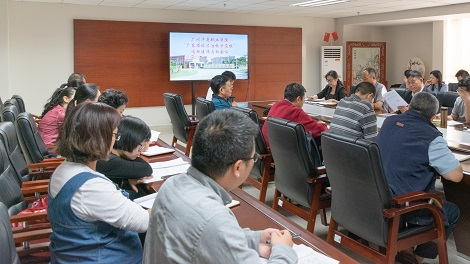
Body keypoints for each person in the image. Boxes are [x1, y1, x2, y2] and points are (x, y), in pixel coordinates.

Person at [143, 110, 297, 264]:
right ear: (238, 167)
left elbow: (208, 237)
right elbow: (211, 229)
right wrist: (283, 249)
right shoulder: (214, 218)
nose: (253, 161)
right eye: (254, 157)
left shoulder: (172, 184)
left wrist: (255, 239)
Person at [48, 102, 149, 264]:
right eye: (115, 135)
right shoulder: (90, 187)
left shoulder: (63, 170)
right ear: (100, 138)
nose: (115, 141)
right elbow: (144, 222)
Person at [377, 92, 462, 262]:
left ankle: (406, 250)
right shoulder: (431, 136)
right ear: (433, 116)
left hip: (378, 194)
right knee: (451, 211)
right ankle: (415, 258)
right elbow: (456, 176)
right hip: (402, 203)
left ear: (409, 106)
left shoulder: (389, 122)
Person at [96, 116, 153, 199]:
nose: (140, 151)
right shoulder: (110, 161)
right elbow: (146, 169)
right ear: (130, 141)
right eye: (141, 146)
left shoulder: (108, 153)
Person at [263, 83, 328, 147]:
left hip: (270, 146)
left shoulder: (276, 105)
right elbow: (318, 130)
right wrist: (322, 124)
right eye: (303, 99)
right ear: (298, 99)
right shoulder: (296, 112)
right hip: (279, 149)